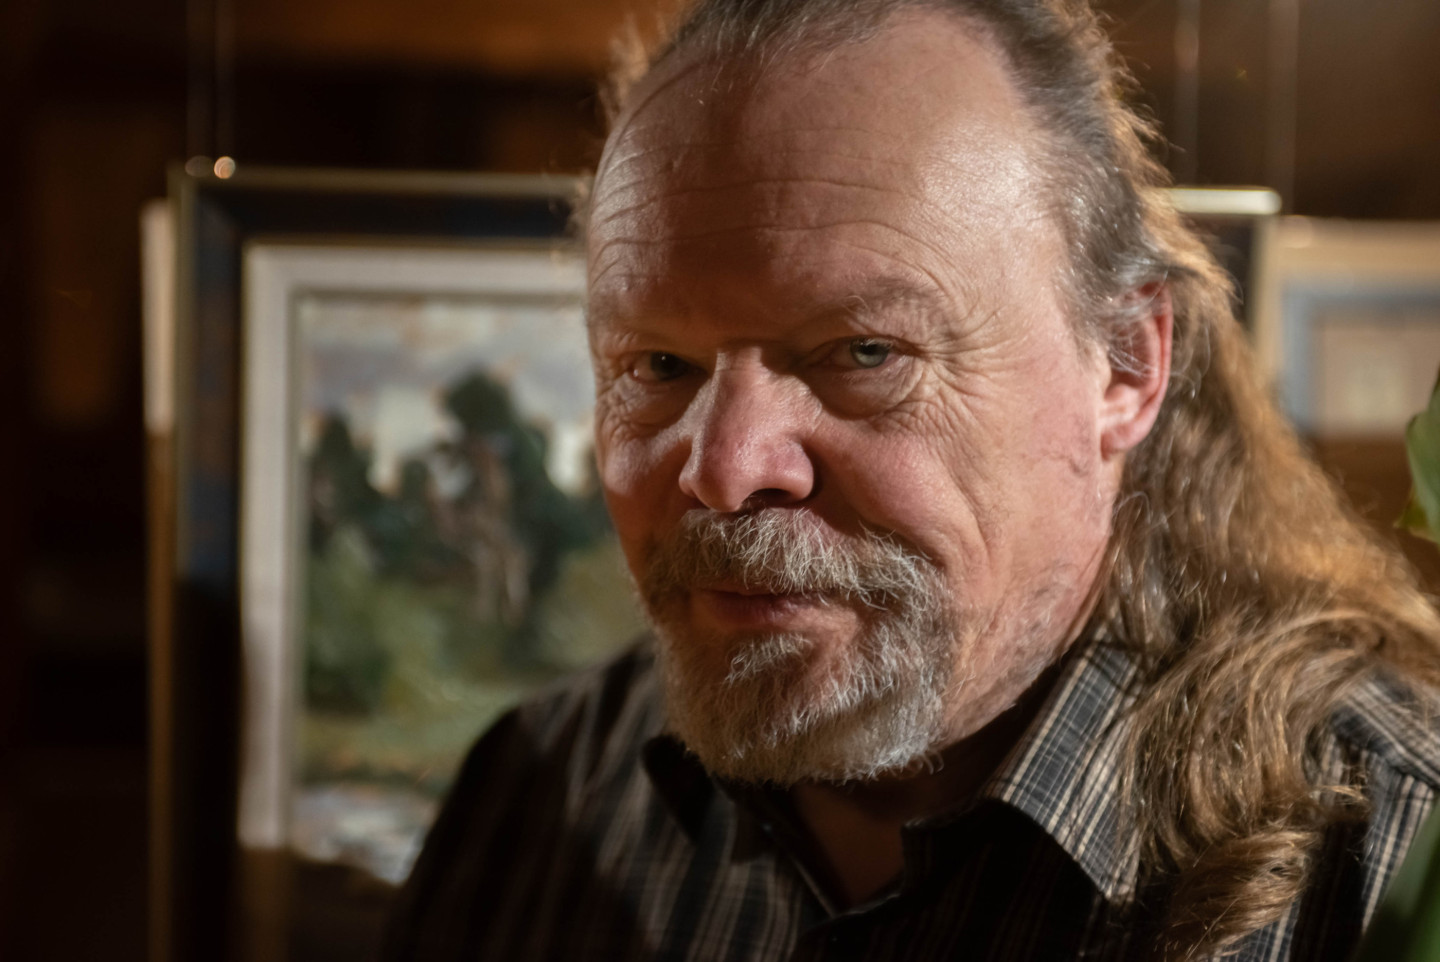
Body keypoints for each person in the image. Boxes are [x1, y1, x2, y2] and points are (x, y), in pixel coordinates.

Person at [382, 0, 1440, 958]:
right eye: (658, 366)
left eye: (864, 352)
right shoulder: (540, 795)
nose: (727, 470)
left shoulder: (1395, 866)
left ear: (1126, 366)